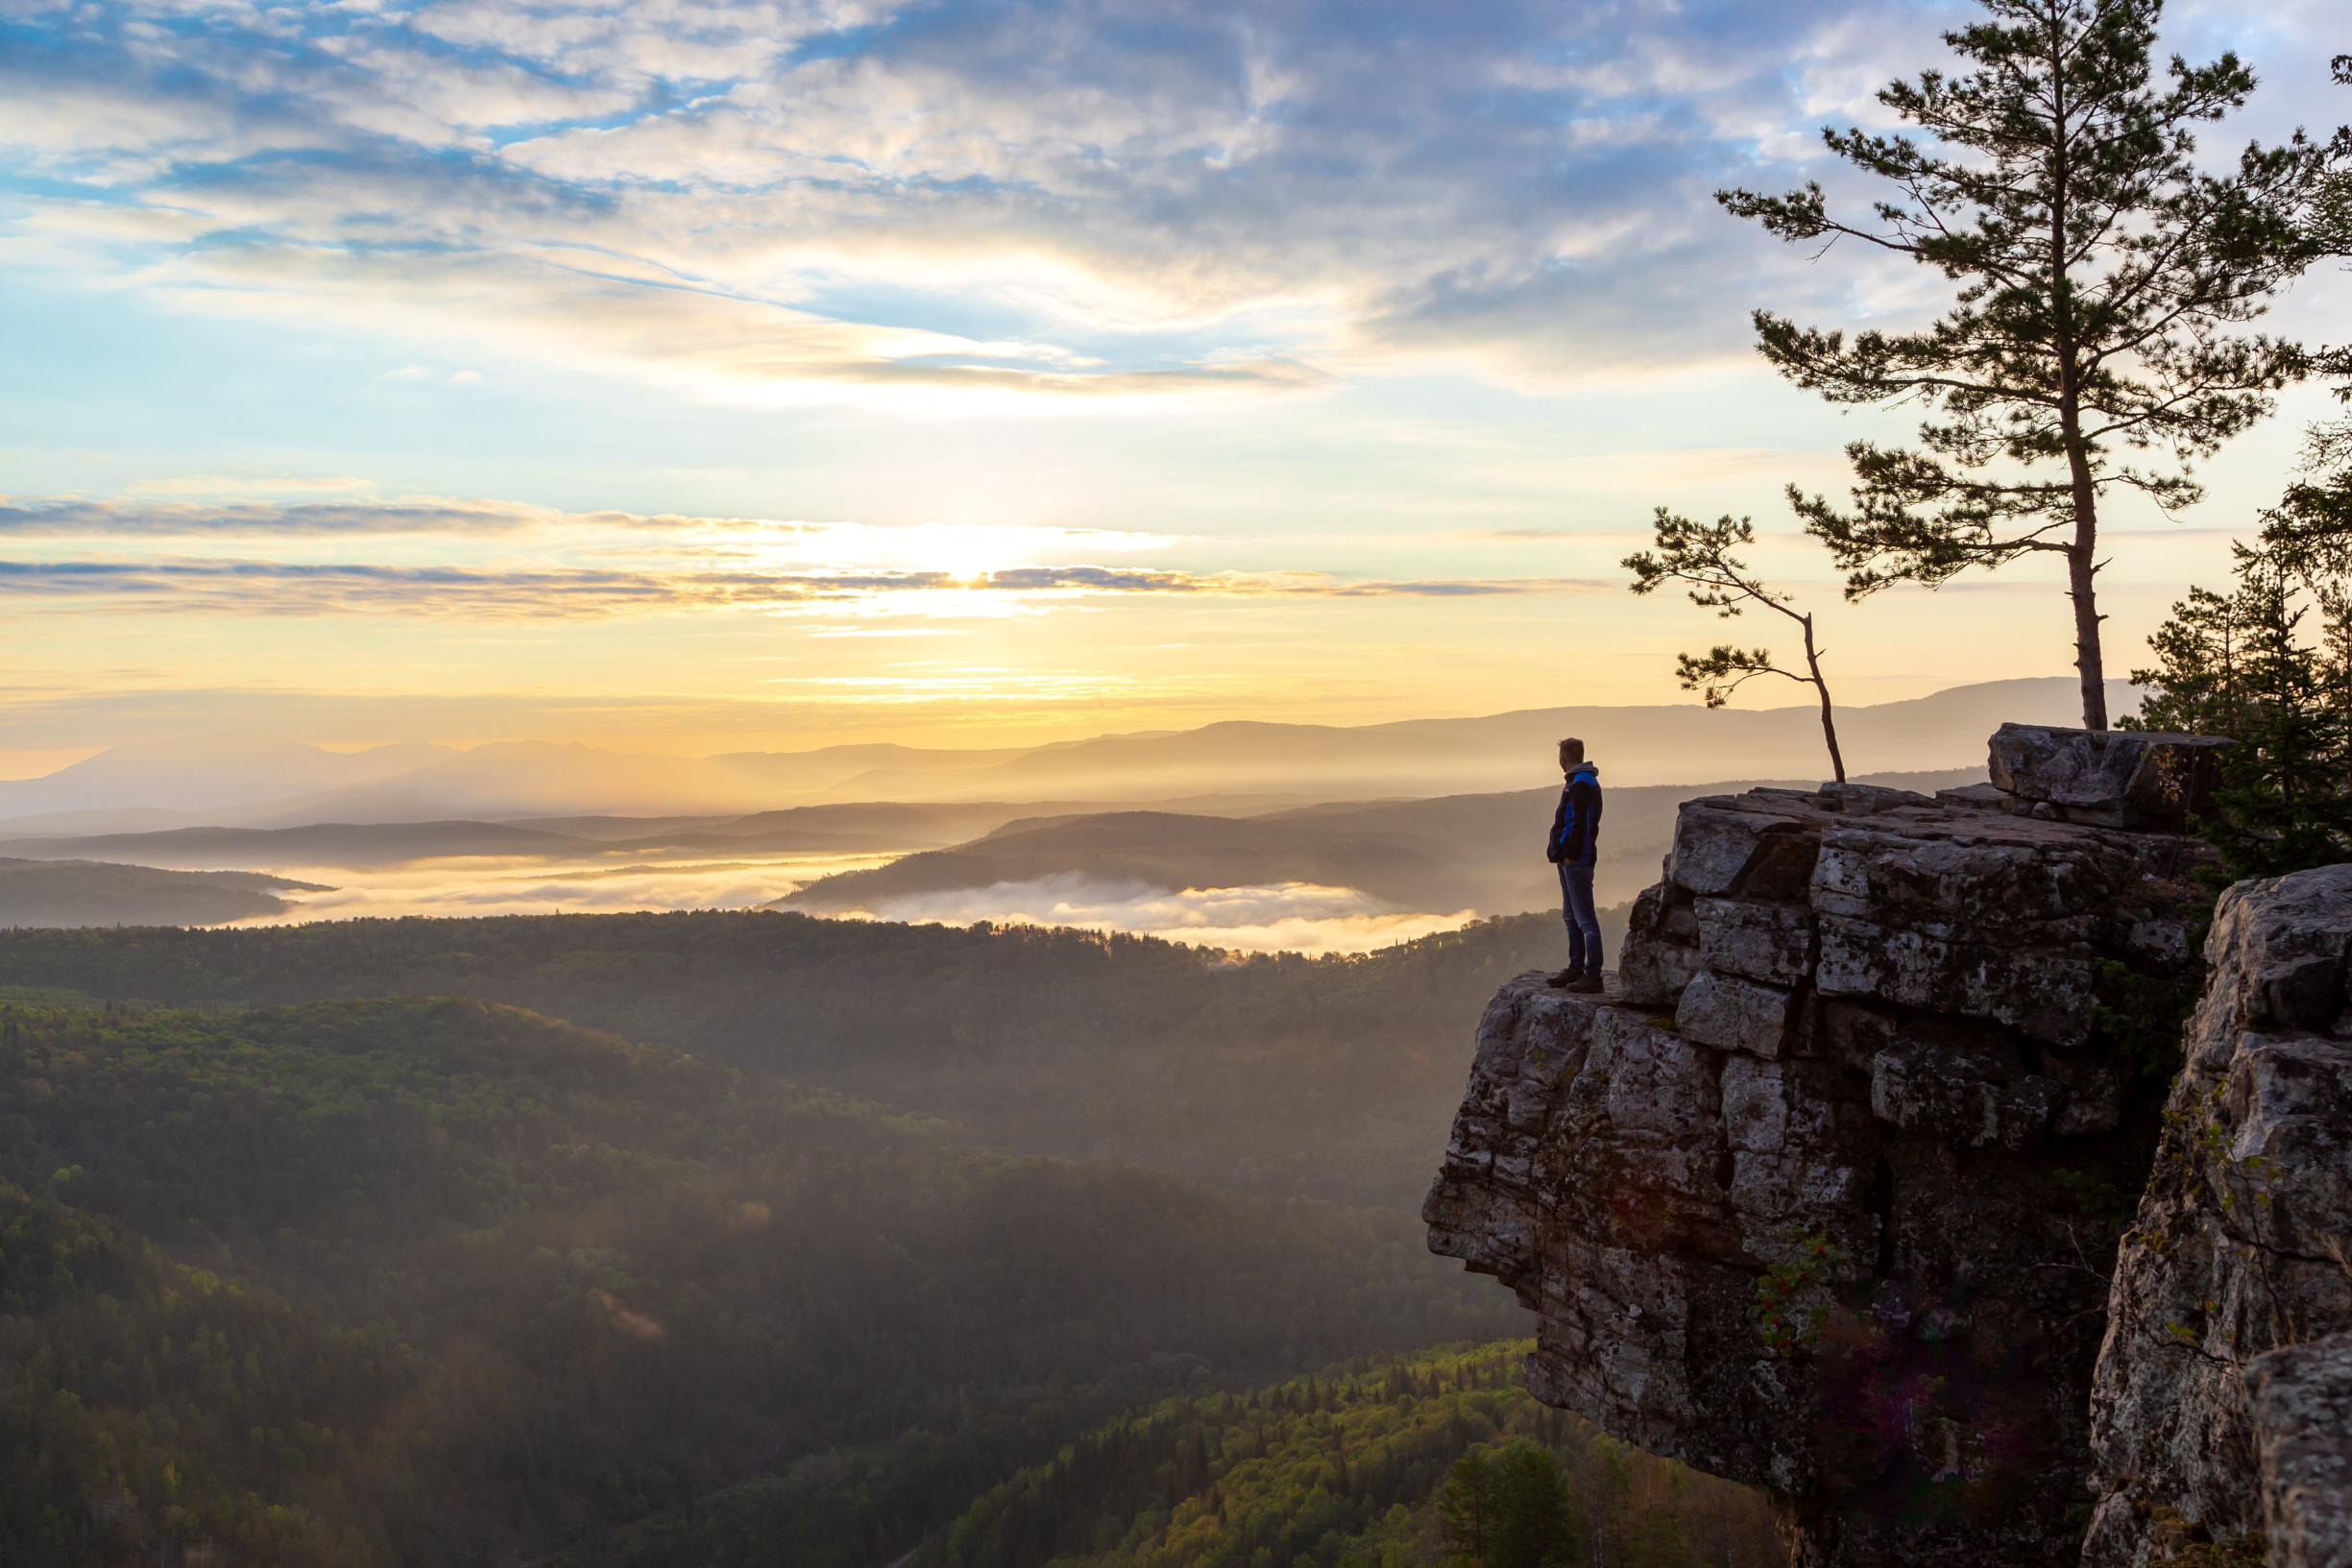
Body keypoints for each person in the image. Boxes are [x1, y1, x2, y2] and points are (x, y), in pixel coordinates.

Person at [1545, 737, 1603, 992]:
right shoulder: (1582, 781)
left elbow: (1581, 823)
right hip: (1570, 859)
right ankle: (1576, 968)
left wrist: (1569, 853)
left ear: (1563, 759)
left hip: (1576, 860)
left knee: (1585, 920)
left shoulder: (1581, 783)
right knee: (1571, 917)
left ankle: (1593, 975)